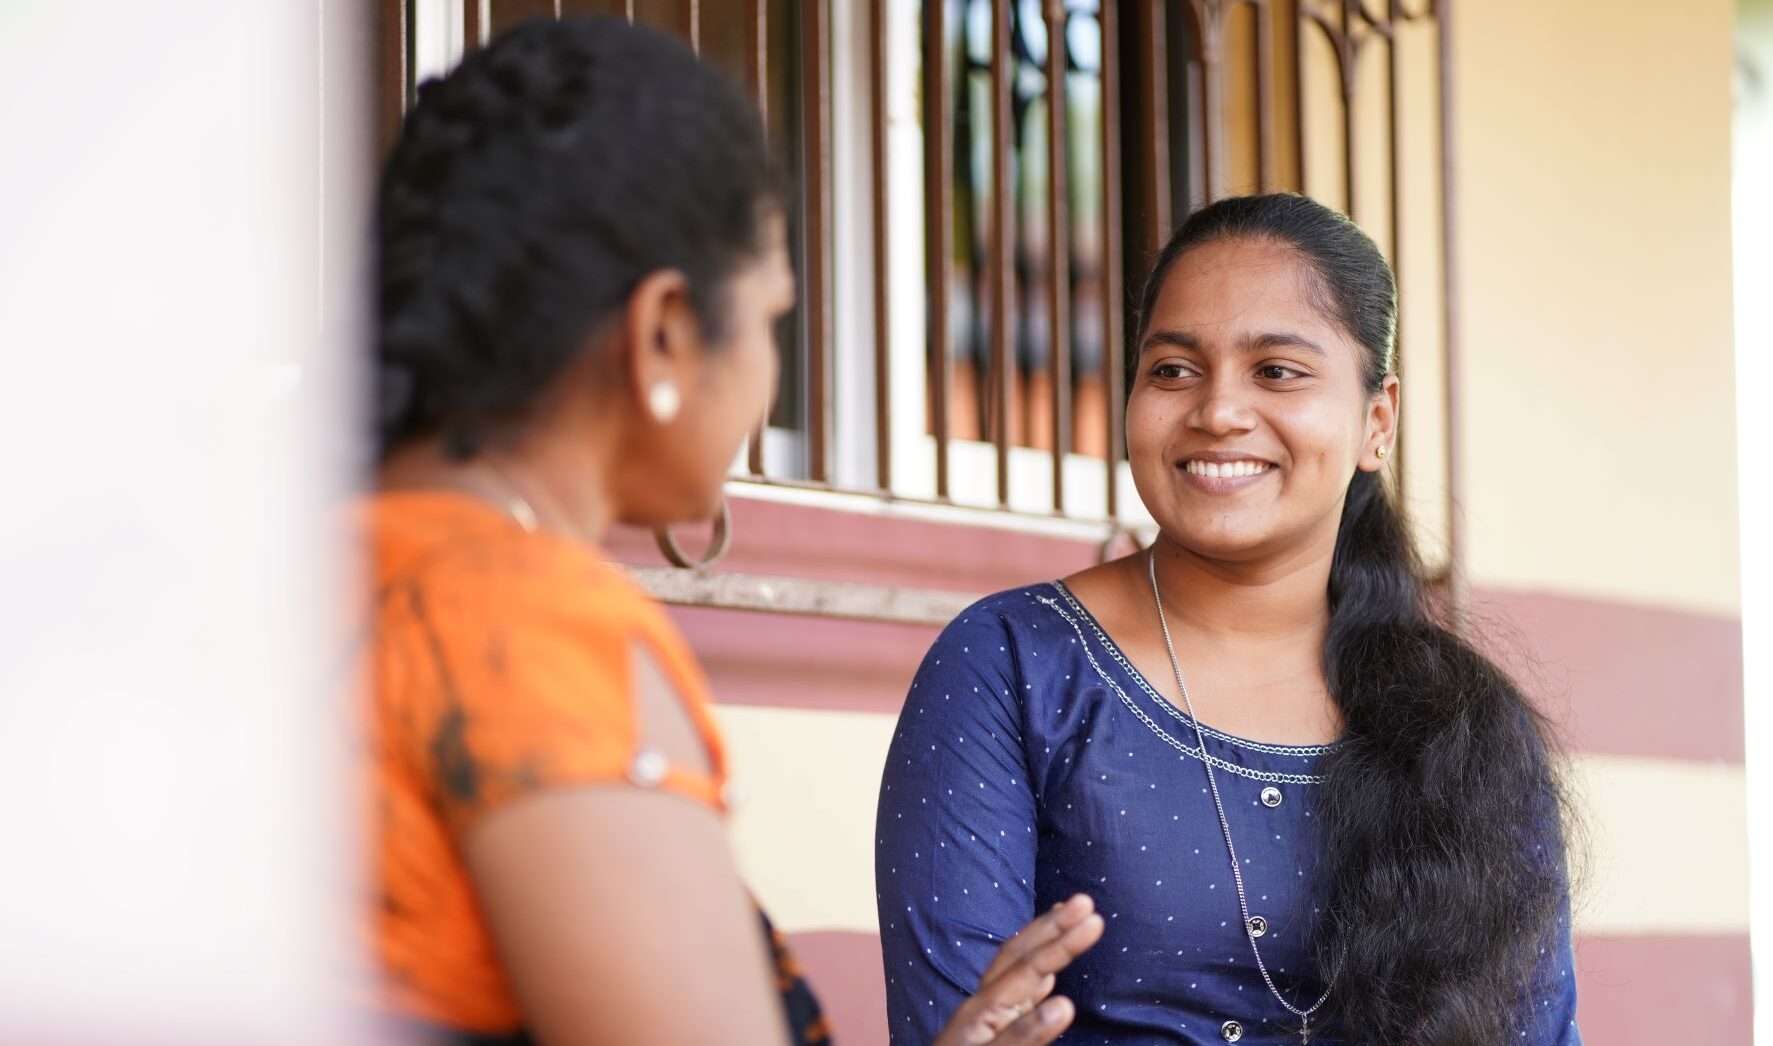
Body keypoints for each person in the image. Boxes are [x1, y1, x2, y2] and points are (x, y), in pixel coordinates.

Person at [362, 17, 1103, 1045]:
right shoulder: (530, 628)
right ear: (665, 330)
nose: (769, 372)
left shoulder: (303, 568)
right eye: (771, 319)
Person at [876, 193, 1580, 1045]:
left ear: (1376, 421)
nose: (1216, 411)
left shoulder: (1461, 724)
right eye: (1172, 369)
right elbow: (953, 1027)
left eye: (1276, 371)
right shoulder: (1013, 667)